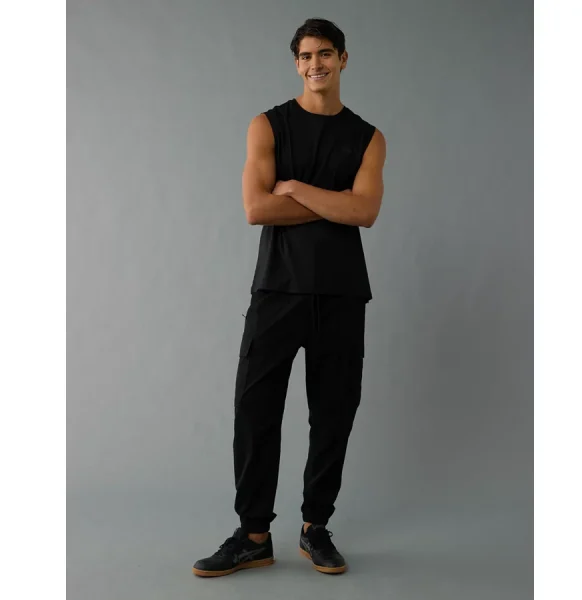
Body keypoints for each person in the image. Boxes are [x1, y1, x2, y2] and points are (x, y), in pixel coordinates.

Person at [193, 17, 386, 578]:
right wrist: (335, 202)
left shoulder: (368, 137)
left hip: (342, 292)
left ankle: (315, 528)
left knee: (333, 415)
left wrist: (297, 188)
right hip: (277, 288)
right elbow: (257, 208)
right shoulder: (267, 126)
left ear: (343, 59)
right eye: (305, 56)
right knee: (255, 412)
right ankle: (253, 535)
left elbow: (365, 212)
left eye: (325, 53)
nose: (315, 64)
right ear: (296, 64)